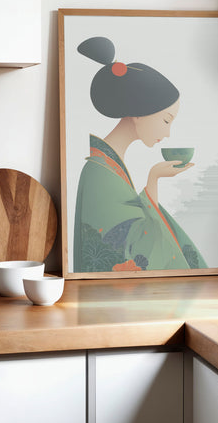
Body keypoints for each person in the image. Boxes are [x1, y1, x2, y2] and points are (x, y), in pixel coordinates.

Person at [74, 36, 207, 272]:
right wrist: (153, 179)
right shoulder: (99, 172)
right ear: (138, 112)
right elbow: (134, 245)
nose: (167, 133)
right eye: (166, 120)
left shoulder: (109, 164)